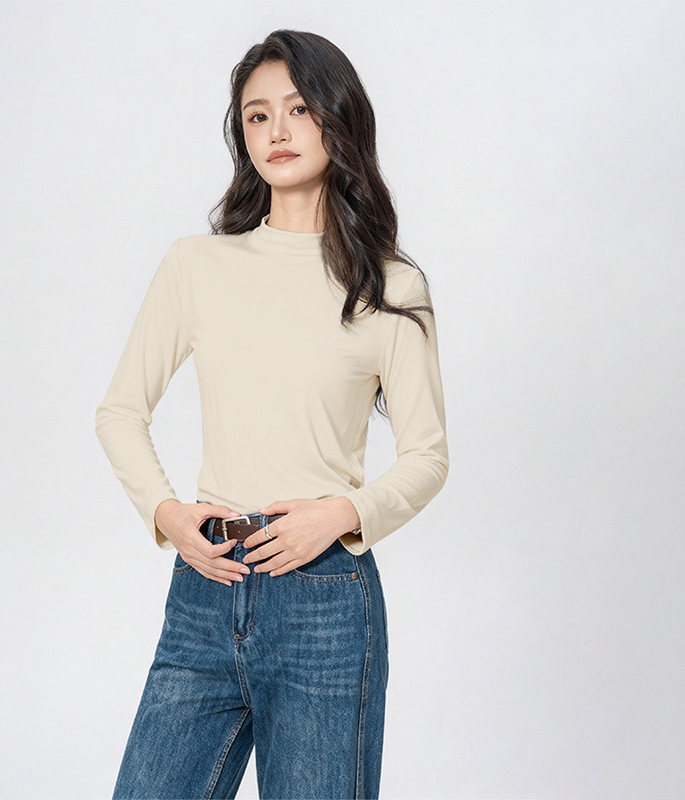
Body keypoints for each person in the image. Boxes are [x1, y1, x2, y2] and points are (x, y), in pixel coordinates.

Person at [95, 28, 449, 800]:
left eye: (298, 109)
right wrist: (168, 515)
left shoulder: (390, 285)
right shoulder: (198, 265)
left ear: (338, 119)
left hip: (324, 599)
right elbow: (120, 411)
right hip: (205, 588)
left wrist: (343, 514)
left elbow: (427, 457)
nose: (277, 131)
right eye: (257, 116)